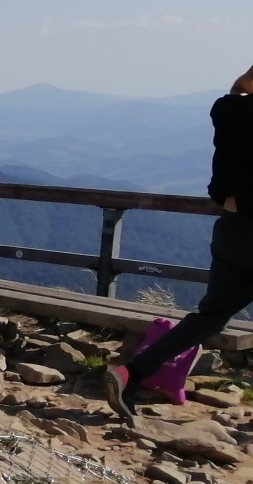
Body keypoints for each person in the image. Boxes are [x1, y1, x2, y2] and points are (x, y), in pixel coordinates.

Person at [106, 70, 253, 419]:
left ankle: (132, 372)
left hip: (233, 231)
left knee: (209, 317)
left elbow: (239, 87)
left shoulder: (229, 110)